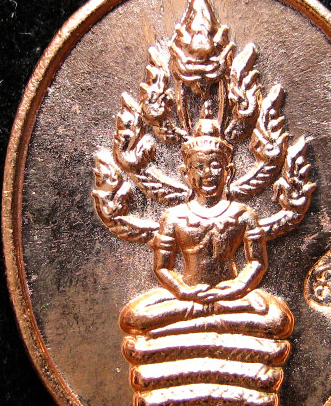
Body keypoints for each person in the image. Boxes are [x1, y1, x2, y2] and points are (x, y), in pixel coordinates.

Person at [119, 118, 294, 341]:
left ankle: (181, 328)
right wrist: (183, 291)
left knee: (279, 319)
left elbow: (257, 263)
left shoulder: (244, 215)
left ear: (229, 172)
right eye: (199, 167)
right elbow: (162, 268)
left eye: (215, 166)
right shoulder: (174, 217)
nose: (208, 173)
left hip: (231, 297)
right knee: (132, 317)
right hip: (187, 297)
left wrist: (238, 287)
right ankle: (212, 319)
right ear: (186, 174)